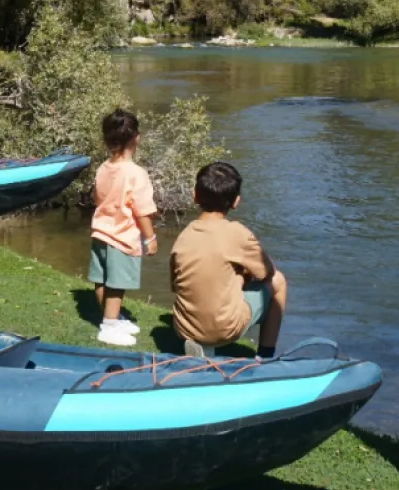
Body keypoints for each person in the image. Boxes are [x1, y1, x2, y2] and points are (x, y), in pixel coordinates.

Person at [169, 161, 287, 359]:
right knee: (279, 282)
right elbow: (268, 272)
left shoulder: (183, 236)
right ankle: (266, 356)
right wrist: (243, 275)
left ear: (195, 195)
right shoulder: (237, 233)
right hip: (224, 329)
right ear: (236, 201)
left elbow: (176, 286)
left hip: (184, 329)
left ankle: (201, 344)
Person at [88, 108, 158, 346]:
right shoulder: (136, 173)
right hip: (122, 237)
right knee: (117, 284)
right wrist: (150, 238)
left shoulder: (102, 168)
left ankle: (112, 317)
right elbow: (142, 210)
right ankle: (108, 326)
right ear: (135, 137)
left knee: (101, 279)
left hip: (100, 232)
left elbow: (98, 198)